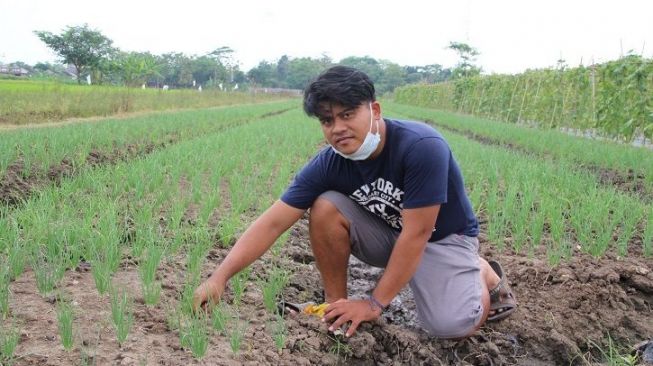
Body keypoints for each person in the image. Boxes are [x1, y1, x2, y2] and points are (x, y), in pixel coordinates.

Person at [193, 65, 516, 338]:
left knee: (450, 326)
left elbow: (417, 234)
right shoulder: (329, 163)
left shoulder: (421, 147)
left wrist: (374, 304)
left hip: (441, 239)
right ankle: (335, 304)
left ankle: (480, 273)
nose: (338, 128)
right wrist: (219, 277)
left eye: (347, 114)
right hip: (391, 234)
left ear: (374, 110)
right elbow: (274, 221)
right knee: (325, 205)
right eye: (327, 120)